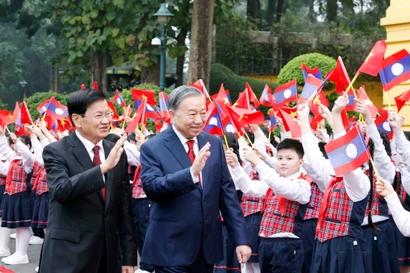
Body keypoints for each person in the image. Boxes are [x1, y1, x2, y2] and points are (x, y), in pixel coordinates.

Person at [139, 85, 251, 273]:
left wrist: (241, 239)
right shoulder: (153, 147)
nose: (199, 120)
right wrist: (191, 173)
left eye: (202, 113)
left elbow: (227, 195)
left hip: (206, 248)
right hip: (170, 249)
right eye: (192, 114)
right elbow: (153, 188)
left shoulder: (214, 143)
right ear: (172, 115)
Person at [39, 89, 137, 273]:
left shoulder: (115, 150)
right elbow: (61, 191)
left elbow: (124, 207)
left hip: (106, 257)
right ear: (77, 119)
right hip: (68, 256)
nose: (106, 121)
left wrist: (129, 257)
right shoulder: (57, 151)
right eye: (98, 115)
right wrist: (102, 168)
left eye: (108, 114)